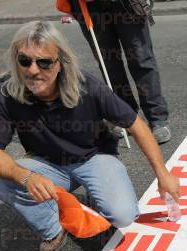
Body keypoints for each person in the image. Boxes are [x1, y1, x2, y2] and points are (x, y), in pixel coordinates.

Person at [0, 21, 180, 251]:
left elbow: (136, 124)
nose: (33, 70)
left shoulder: (87, 85)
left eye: (44, 62)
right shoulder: (5, 91)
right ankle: (53, 229)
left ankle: (92, 198)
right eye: (25, 60)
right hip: (46, 164)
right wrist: (26, 176)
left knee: (123, 215)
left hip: (94, 157)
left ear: (60, 63)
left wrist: (162, 174)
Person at [69, 0, 172, 144]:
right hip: (89, 6)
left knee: (141, 59)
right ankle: (125, 116)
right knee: (109, 63)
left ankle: (157, 118)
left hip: (126, 4)